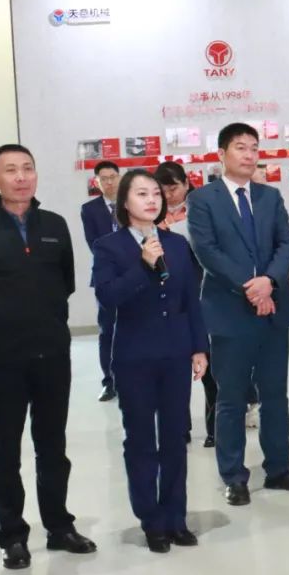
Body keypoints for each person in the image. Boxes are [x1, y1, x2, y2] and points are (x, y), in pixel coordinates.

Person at [0, 144, 96, 568]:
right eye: (11, 170)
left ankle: (59, 526)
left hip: (52, 354)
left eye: (28, 168)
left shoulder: (55, 225)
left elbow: (66, 283)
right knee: (5, 449)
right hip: (1, 359)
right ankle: (12, 535)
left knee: (53, 445)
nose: (21, 177)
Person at [187, 123, 289, 506]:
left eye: (254, 147)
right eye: (240, 147)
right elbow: (207, 251)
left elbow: (286, 243)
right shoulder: (203, 199)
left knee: (275, 393)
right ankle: (234, 476)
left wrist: (269, 282)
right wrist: (250, 287)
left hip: (272, 308)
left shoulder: (269, 196)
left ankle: (279, 469)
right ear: (222, 154)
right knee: (231, 397)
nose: (249, 154)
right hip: (229, 310)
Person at [92, 170, 209, 553]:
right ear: (125, 202)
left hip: (175, 353)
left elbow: (191, 298)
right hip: (134, 357)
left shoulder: (176, 244)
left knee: (175, 437)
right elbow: (109, 297)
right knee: (141, 440)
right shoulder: (109, 247)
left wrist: (199, 347)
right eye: (141, 194)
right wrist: (143, 265)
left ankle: (176, 517)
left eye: (156, 193)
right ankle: (151, 520)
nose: (152, 200)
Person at [156, 161, 219, 448]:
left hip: (204, 292)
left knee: (210, 365)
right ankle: (180, 428)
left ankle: (215, 427)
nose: (169, 195)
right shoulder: (152, 212)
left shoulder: (202, 208)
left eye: (174, 188)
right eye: (164, 189)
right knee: (175, 367)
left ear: (186, 183)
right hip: (169, 297)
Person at [80, 160, 121, 402]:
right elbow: (94, 244)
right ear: (97, 182)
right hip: (105, 277)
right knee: (107, 331)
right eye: (103, 178)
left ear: (119, 177)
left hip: (135, 274)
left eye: (112, 177)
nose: (109, 182)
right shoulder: (90, 209)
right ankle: (109, 381)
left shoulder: (130, 202)